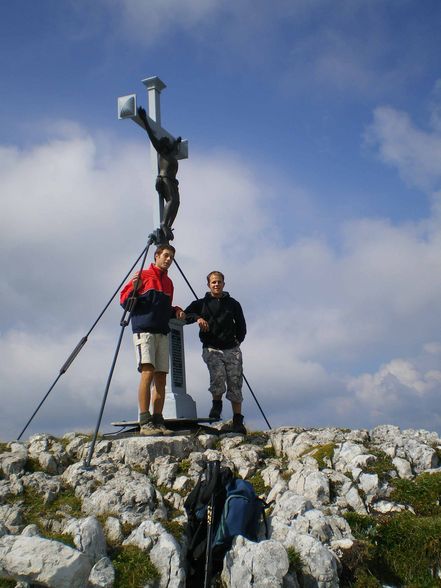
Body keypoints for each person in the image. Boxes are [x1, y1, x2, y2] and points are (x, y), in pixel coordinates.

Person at [120, 244, 185, 435]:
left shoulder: (169, 283)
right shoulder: (143, 275)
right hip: (144, 331)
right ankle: (145, 420)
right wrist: (134, 287)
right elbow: (124, 301)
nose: (168, 260)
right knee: (147, 372)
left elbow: (166, 307)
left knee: (161, 378)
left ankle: (158, 420)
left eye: (171, 257)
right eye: (165, 255)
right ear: (156, 256)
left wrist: (177, 310)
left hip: (162, 332)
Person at [185, 271, 247, 434]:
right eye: (213, 282)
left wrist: (237, 341)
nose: (216, 285)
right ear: (208, 285)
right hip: (211, 347)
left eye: (219, 282)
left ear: (223, 284)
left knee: (235, 384)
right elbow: (185, 315)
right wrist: (197, 318)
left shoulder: (233, 303)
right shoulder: (201, 303)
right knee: (218, 378)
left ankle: (237, 420)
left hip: (232, 348)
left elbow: (241, 325)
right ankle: (217, 405)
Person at [137, 105, 182, 242]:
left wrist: (177, 142)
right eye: (167, 142)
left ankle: (167, 226)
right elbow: (151, 135)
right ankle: (163, 224)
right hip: (164, 179)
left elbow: (174, 146)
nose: (169, 143)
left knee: (176, 202)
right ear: (163, 145)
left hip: (172, 181)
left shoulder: (171, 153)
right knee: (172, 200)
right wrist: (144, 120)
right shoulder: (162, 151)